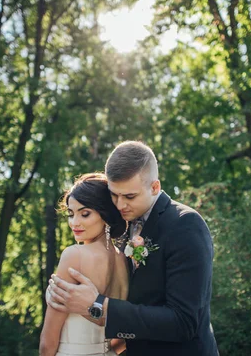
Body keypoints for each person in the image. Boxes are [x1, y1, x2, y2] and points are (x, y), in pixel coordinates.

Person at [47, 141, 218, 356]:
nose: (119, 205)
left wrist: (99, 305)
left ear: (154, 187)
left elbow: (183, 322)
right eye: (114, 195)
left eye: (129, 196)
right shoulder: (125, 227)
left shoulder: (185, 225)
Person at [39, 173, 130, 356]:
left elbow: (48, 342)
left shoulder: (74, 255)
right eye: (71, 214)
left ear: (104, 214)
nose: (74, 223)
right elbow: (120, 339)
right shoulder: (125, 260)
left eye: (85, 214)